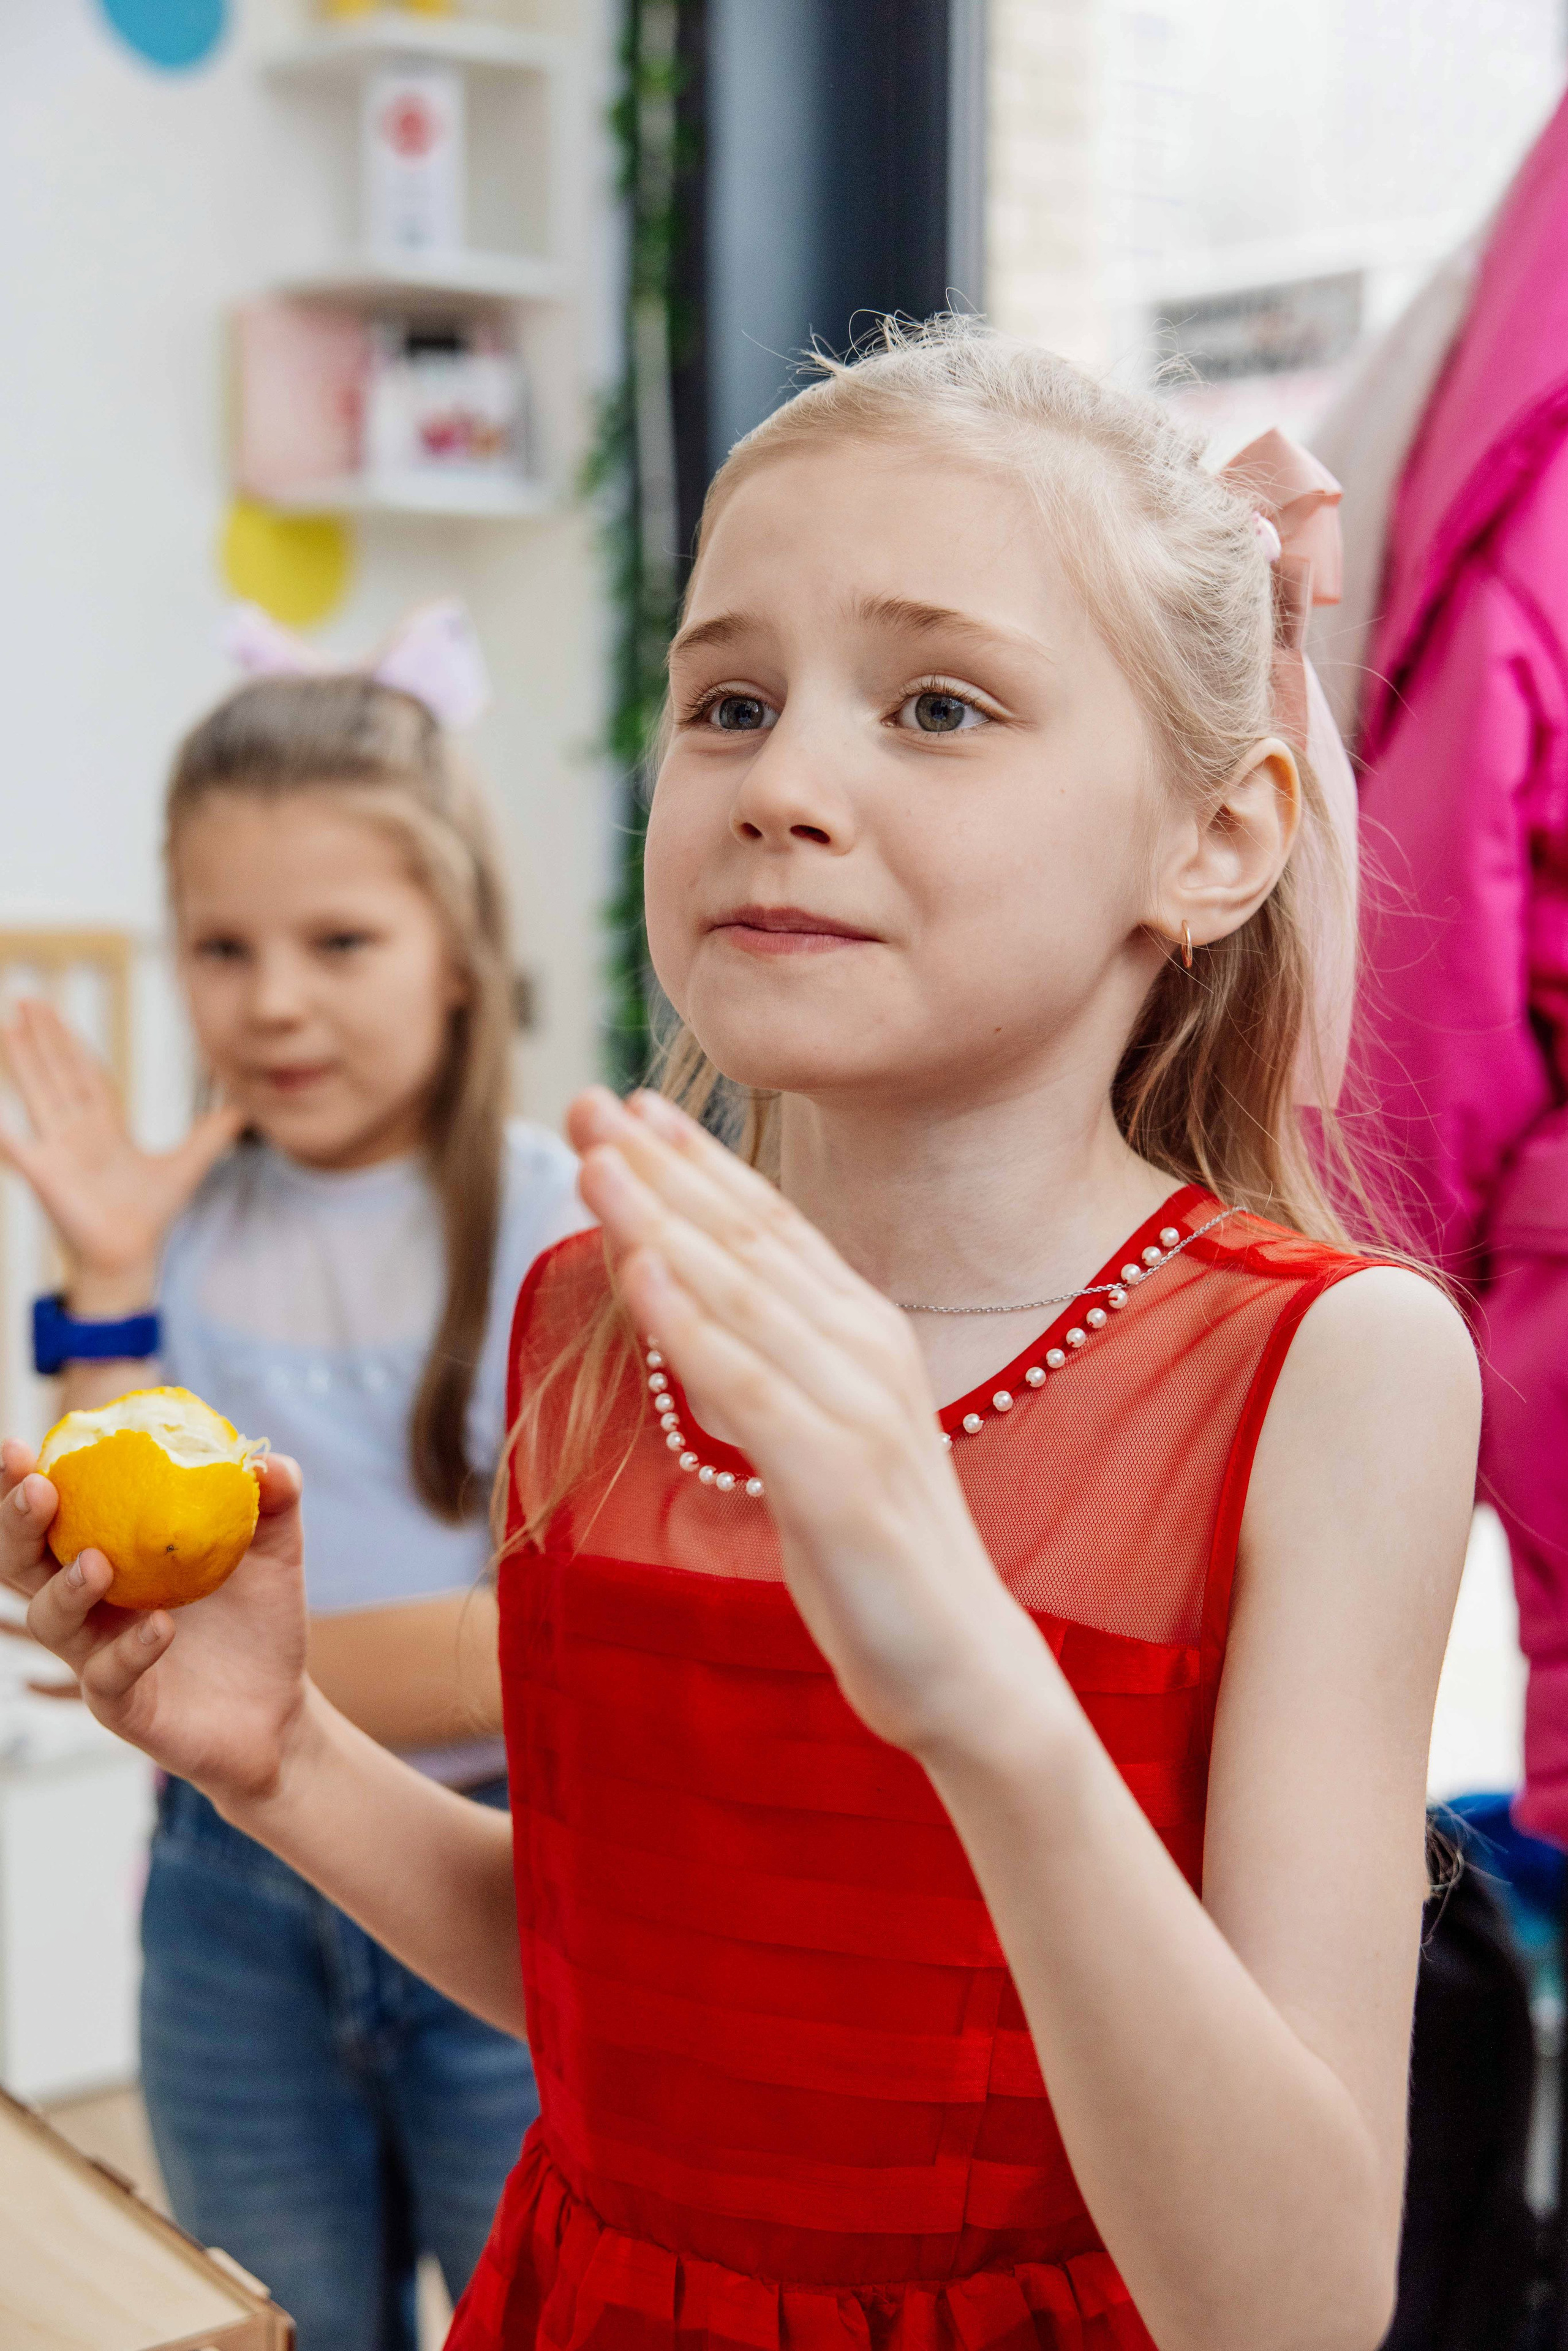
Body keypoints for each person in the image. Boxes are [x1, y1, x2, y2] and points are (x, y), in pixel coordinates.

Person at [2, 322, 1480, 2351]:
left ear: (1214, 841)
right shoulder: (594, 1309)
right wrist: (277, 1758)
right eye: (728, 701)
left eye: (939, 704)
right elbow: (630, 2010)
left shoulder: (1337, 1371)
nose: (783, 783)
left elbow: (1295, 2304)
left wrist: (974, 1681)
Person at [0, 642, 586, 2351]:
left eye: (340, 943)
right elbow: (113, 1581)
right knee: (273, 2322)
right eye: (221, 948)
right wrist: (105, 1276)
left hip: (487, 1880)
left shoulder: (562, 1221)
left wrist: (221, 1680)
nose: (271, 1002)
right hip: (226, 1900)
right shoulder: (169, 1224)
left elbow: (522, 1653)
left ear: (461, 950)